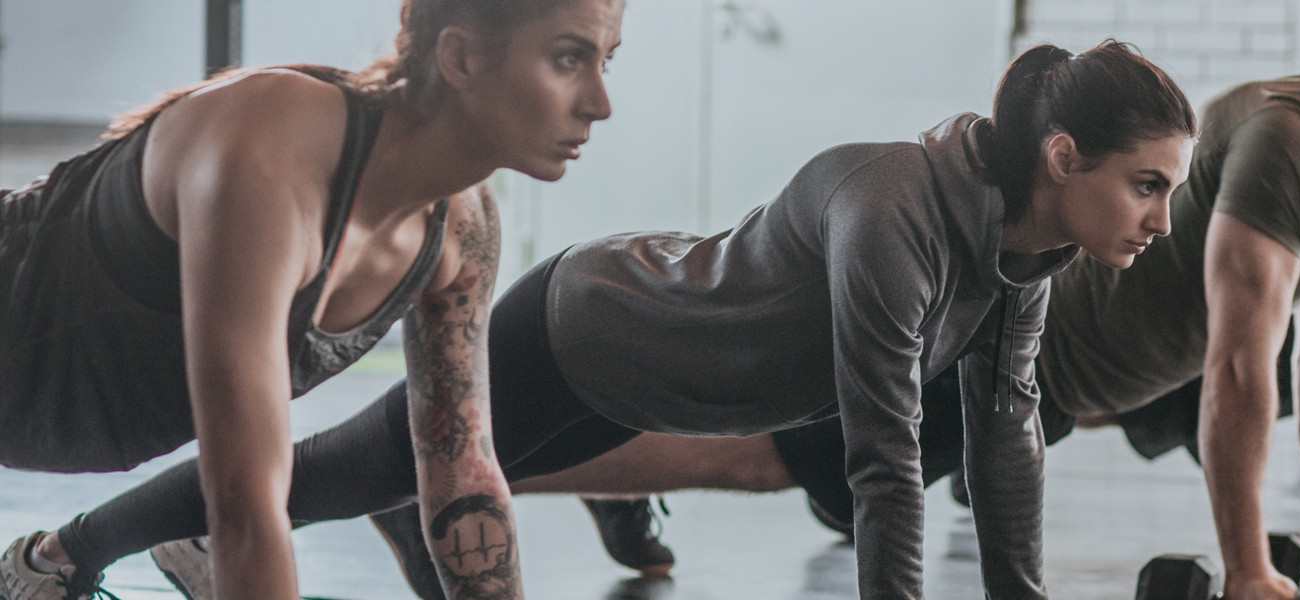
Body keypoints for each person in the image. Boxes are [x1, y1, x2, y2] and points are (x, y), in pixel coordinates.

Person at [60, 40, 1198, 600]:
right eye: (1148, 184)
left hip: (658, 384)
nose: (1161, 215)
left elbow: (1006, 450)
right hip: (594, 330)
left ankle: (418, 514)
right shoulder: (895, 200)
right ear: (1063, 157)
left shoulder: (1025, 260)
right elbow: (883, 465)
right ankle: (59, 554)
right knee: (342, 467)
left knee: (402, 474)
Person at [502, 1, 1300, 598]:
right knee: (768, 459)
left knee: (793, 462)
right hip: (1019, 349)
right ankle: (486, 477)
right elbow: (1241, 362)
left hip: (1103, 380)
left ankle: (554, 463)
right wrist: (1244, 569)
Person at [0, 1, 624, 599]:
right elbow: (244, 512)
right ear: (460, 57)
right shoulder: (269, 156)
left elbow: (462, 472)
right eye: (569, 59)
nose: (601, 103)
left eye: (606, 62)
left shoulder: (460, 228)